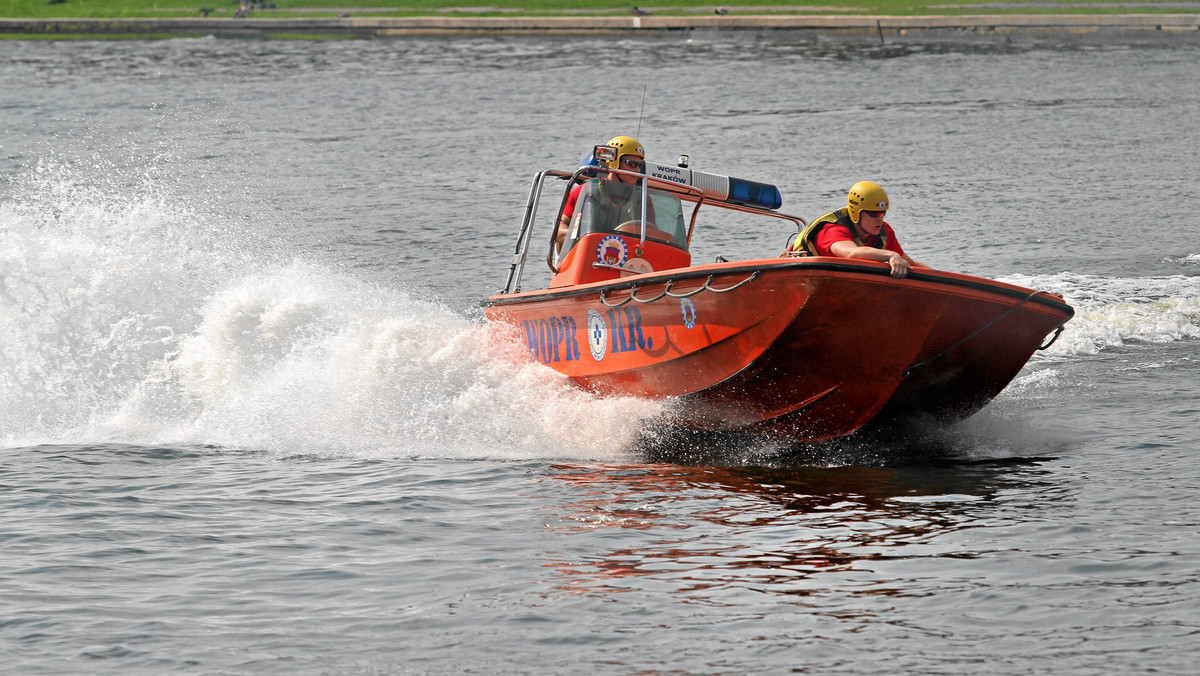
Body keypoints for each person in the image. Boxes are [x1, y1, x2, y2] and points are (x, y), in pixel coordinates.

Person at [790, 180, 928, 278]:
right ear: (856, 213)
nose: (880, 219)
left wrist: (948, 281)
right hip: (796, 276)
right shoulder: (833, 230)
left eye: (883, 213)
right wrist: (891, 255)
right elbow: (851, 252)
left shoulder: (884, 232)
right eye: (873, 214)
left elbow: (911, 264)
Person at [555, 135, 655, 250]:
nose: (637, 170)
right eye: (632, 164)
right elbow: (559, 230)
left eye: (640, 165)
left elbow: (651, 233)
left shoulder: (642, 199)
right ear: (614, 163)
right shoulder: (585, 192)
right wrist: (583, 236)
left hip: (628, 255)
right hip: (586, 251)